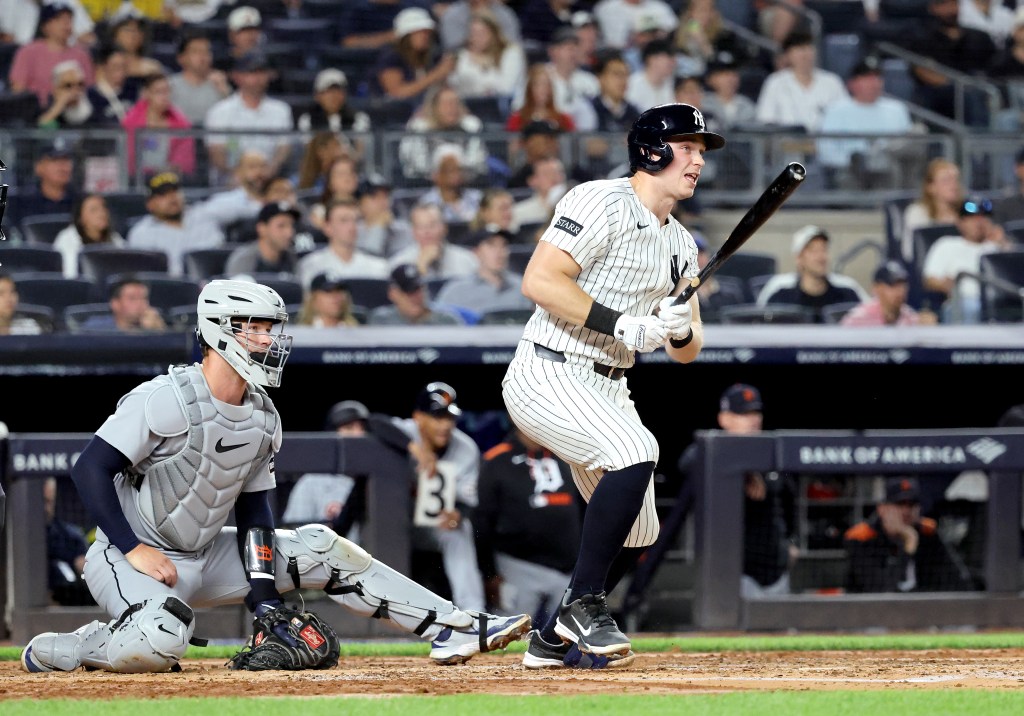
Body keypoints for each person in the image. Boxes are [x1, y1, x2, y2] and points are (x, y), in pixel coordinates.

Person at [21, 280, 531, 674]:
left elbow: (255, 511)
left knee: (322, 545)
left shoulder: (263, 414)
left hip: (205, 553)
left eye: (270, 328)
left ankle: (455, 626)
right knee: (162, 635)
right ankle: (79, 645)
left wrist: (263, 592)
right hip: (126, 558)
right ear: (221, 329)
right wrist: (133, 548)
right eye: (255, 327)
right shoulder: (166, 396)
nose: (268, 339)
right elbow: (89, 466)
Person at [502, 103, 718, 665]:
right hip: (549, 367)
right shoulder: (600, 199)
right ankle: (585, 605)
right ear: (652, 150)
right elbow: (540, 279)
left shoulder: (682, 246)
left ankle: (552, 637)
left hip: (608, 386)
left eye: (700, 150)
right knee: (636, 451)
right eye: (689, 147)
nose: (697, 160)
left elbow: (691, 350)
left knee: (640, 530)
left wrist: (676, 331)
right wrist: (625, 324)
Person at [474, 423, 582, 625]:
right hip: (517, 567)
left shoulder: (567, 458)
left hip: (569, 569)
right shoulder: (496, 460)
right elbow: (482, 521)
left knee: (575, 644)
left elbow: (585, 508)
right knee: (507, 638)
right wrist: (488, 573)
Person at [393, 382, 486, 611]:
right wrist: (413, 448)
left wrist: (458, 514)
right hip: (393, 525)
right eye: (437, 417)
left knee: (459, 531)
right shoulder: (404, 431)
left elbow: (467, 501)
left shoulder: (466, 448)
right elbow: (373, 422)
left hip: (431, 526)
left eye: (449, 418)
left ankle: (473, 614)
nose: (445, 425)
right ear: (418, 417)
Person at [844, 477, 975, 593]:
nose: (906, 511)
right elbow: (882, 591)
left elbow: (958, 580)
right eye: (899, 504)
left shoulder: (927, 532)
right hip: (869, 614)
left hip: (921, 613)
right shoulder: (862, 537)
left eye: (912, 504)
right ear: (882, 509)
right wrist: (908, 546)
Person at [817, 56, 916, 190]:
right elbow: (825, 150)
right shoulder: (836, 110)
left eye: (877, 77)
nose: (874, 82)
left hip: (887, 171)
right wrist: (855, 162)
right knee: (847, 176)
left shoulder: (897, 109)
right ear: (852, 83)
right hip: (849, 171)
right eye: (867, 78)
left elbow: (906, 146)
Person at [203, 51, 294, 182]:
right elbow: (217, 153)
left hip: (268, 180)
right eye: (252, 72)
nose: (258, 78)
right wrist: (239, 177)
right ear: (237, 76)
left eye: (261, 72)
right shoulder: (220, 111)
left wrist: (268, 172)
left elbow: (283, 148)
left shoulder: (281, 110)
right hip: (230, 183)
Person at [906, 0, 996, 127]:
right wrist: (957, 84)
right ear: (933, 8)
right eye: (944, 5)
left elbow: (993, 67)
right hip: (936, 92)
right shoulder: (921, 36)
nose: (951, 10)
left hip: (977, 86)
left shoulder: (979, 36)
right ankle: (975, 141)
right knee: (971, 94)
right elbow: (921, 71)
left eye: (954, 4)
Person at [755, 225, 869, 323]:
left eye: (824, 249)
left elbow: (873, 323)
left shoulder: (848, 290)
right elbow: (759, 327)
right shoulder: (779, 291)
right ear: (798, 258)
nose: (821, 257)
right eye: (813, 251)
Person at [922, 197, 1010, 323]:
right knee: (969, 307)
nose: (979, 223)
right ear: (960, 222)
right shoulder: (946, 244)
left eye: (983, 218)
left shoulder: (996, 247)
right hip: (963, 301)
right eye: (973, 218)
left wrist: (1003, 244)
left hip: (1000, 303)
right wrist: (950, 286)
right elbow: (930, 280)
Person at [126, 171, 225, 276]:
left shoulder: (204, 215)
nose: (172, 197)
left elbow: (240, 202)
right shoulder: (141, 233)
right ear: (150, 204)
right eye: (163, 194)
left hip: (214, 284)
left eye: (175, 191)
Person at [433, 227, 534, 321]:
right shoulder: (456, 291)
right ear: (476, 252)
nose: (499, 252)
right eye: (491, 245)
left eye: (504, 245)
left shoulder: (522, 288)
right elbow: (439, 324)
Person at [755, 30, 847, 133]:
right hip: (786, 145)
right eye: (799, 49)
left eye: (809, 48)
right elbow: (766, 120)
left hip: (824, 144)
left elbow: (844, 118)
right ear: (787, 55)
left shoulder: (832, 82)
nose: (805, 54)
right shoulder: (775, 82)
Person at [8, 2, 95, 106]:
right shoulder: (28, 52)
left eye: (69, 20)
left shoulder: (81, 54)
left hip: (75, 111)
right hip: (38, 112)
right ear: (45, 26)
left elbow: (90, 89)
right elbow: (18, 89)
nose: (66, 24)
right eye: (59, 20)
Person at [398, 85, 489, 182]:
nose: (452, 108)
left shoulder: (471, 127)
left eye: (455, 103)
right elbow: (414, 163)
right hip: (423, 184)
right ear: (434, 107)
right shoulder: (418, 128)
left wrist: (458, 175)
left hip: (466, 184)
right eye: (446, 104)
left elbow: (477, 161)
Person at [298, 198, 389, 287]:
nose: (352, 226)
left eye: (356, 220)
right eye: (344, 220)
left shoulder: (378, 267)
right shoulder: (311, 266)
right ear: (327, 227)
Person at [121, 72, 196, 180]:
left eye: (167, 91)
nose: (165, 97)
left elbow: (184, 163)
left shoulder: (182, 125)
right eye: (159, 92)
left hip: (170, 181)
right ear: (146, 94)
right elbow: (126, 160)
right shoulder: (130, 123)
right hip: (135, 181)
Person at [372, 7, 455, 101]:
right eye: (419, 32)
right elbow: (397, 93)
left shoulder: (433, 56)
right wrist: (436, 74)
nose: (425, 36)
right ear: (406, 35)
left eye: (427, 32)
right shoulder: (391, 58)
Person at [447, 10, 526, 100]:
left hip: (507, 108)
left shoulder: (511, 53)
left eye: (482, 33)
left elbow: (505, 89)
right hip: (472, 108)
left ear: (493, 33)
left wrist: (475, 76)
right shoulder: (463, 56)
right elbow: (454, 84)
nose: (477, 38)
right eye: (473, 33)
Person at [388, 202, 479, 281]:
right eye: (420, 227)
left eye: (432, 225)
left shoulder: (467, 259)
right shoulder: (398, 263)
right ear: (413, 232)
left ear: (445, 228)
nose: (426, 232)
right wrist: (420, 267)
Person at [901, 158, 965, 263]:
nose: (954, 186)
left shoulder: (967, 212)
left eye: (956, 179)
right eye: (946, 180)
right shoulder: (917, 213)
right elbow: (910, 252)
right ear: (931, 187)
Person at [44, 477, 94, 607]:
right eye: (41, 501)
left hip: (66, 605)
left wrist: (85, 570)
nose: (45, 508)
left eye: (49, 502)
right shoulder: (14, 540)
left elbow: (87, 574)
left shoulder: (71, 537)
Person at [841, 260, 937, 326]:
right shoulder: (859, 320)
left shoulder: (910, 318)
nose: (900, 291)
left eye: (902, 285)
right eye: (893, 286)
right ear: (877, 288)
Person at [53, 194, 126, 278]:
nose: (102, 213)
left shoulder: (115, 238)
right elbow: (69, 275)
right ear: (80, 218)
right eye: (93, 210)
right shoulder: (66, 238)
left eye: (103, 208)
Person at [168, 31, 232, 127]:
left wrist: (225, 93)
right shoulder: (169, 85)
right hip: (178, 139)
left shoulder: (220, 84)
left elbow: (233, 119)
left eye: (206, 51)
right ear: (181, 58)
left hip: (212, 139)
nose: (203, 57)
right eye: (196, 52)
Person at [367, 263, 464, 326]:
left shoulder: (446, 321)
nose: (415, 297)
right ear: (392, 294)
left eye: (418, 290)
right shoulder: (383, 320)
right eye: (408, 292)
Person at [9, 140, 77, 228]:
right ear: (38, 167)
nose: (62, 166)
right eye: (54, 160)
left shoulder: (81, 202)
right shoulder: (20, 203)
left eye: (66, 160)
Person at [224, 201, 300, 277]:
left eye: (292, 226)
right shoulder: (243, 260)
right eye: (281, 226)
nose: (289, 233)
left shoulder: (291, 258)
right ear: (262, 228)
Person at [418, 144, 484, 224]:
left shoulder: (478, 199)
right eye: (449, 170)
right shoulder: (427, 203)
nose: (456, 174)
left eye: (459, 169)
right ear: (436, 174)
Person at [296, 68, 372, 135]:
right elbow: (309, 149)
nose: (334, 96)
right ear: (317, 95)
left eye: (339, 91)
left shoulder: (359, 118)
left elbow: (360, 149)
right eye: (329, 91)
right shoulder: (307, 120)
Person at [79, 275, 168, 332]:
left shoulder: (155, 326)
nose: (140, 304)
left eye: (144, 298)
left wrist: (158, 332)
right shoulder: (96, 328)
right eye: (132, 298)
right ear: (115, 304)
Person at [700, 51, 757, 131]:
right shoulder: (702, 103)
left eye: (733, 73)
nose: (730, 78)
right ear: (710, 79)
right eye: (724, 74)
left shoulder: (747, 105)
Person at [438, 0, 521, 52]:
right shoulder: (452, 14)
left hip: (498, 59)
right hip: (463, 63)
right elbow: (452, 48)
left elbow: (512, 45)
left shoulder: (505, 14)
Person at [86, 44, 138, 126]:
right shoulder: (91, 95)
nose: (120, 71)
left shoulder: (134, 89)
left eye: (123, 66)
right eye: (115, 66)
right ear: (104, 67)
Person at [512, 156, 568, 229]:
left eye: (558, 172)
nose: (554, 177)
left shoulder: (577, 208)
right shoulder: (518, 212)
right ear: (532, 181)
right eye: (547, 173)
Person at [36, 60, 96, 128]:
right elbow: (37, 131)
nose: (75, 91)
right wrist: (57, 109)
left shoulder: (94, 104)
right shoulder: (45, 108)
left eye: (80, 84)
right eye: (68, 86)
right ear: (56, 89)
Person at [625, 39, 677, 111]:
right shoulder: (632, 84)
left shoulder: (672, 84)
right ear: (651, 59)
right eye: (668, 57)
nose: (673, 62)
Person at [296, 274, 362, 328]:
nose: (336, 297)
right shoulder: (302, 332)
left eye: (339, 291)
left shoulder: (355, 331)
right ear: (313, 298)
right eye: (328, 291)